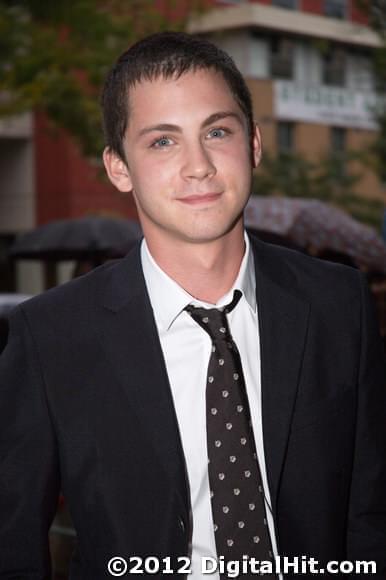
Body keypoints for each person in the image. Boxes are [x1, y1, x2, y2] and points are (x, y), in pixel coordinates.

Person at [0, 31, 385, 579]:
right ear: (118, 167)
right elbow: (12, 539)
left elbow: (370, 506)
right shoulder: (50, 335)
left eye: (217, 131)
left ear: (253, 143)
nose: (198, 164)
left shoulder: (339, 303)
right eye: (162, 141)